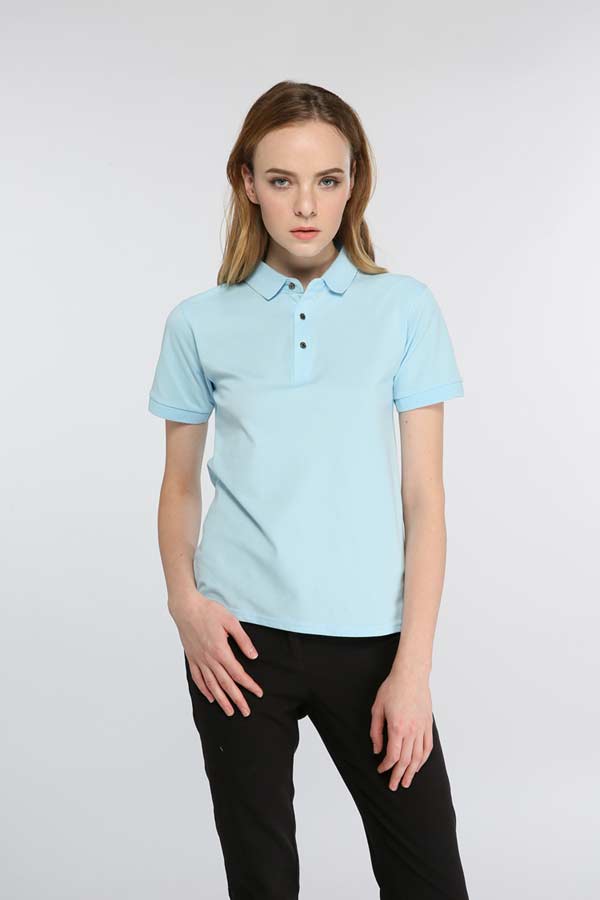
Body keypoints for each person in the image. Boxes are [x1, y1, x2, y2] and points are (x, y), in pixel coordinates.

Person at [148, 80, 470, 900]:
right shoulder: (199, 322)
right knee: (261, 881)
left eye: (327, 179)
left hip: (371, 641)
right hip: (237, 640)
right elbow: (178, 487)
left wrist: (413, 669)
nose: (305, 205)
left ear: (353, 182)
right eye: (282, 179)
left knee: (429, 877)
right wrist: (186, 605)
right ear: (247, 182)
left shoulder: (403, 308)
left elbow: (425, 500)